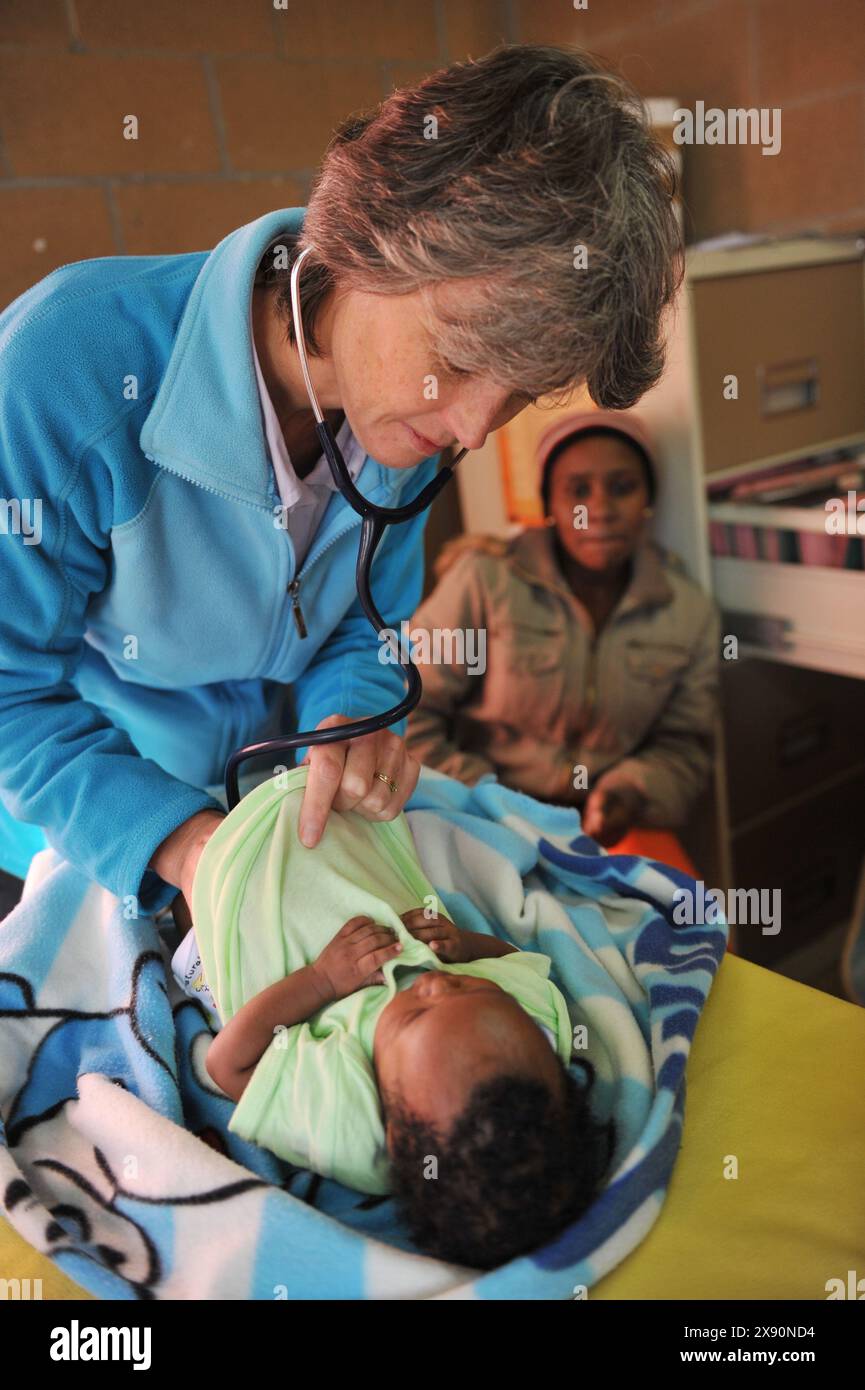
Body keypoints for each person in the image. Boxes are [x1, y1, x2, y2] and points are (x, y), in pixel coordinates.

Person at [0, 44, 681, 923]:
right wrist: (182, 843)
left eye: (520, 393)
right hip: (94, 829)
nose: (473, 427)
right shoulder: (63, 370)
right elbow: (9, 693)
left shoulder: (407, 417)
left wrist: (348, 725)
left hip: (293, 820)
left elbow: (363, 629)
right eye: (462, 359)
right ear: (365, 239)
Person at [176, 765, 613, 1270]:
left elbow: (228, 1063)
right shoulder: (534, 1030)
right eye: (468, 987)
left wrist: (320, 981)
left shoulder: (351, 1124)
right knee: (340, 769)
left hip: (243, 926)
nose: (431, 981)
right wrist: (467, 948)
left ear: (395, 1133)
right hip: (346, 846)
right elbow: (514, 962)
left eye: (416, 1014)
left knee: (185, 862)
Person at [407, 412, 720, 859]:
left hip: (604, 832)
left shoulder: (686, 611)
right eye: (577, 491)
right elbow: (408, 712)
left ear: (648, 498)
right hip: (479, 820)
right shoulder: (484, 580)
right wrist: (490, 801)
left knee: (688, 922)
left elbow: (686, 746)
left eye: (622, 487)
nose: (600, 509)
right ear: (548, 505)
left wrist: (632, 790)